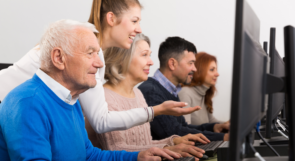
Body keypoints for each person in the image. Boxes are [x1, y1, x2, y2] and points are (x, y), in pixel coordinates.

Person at [0, 0, 200, 135]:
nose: (139, 29)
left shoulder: (91, 50)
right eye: (134, 21)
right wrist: (156, 110)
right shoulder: (80, 46)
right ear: (111, 19)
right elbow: (102, 121)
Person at [0, 20, 181, 161]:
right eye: (90, 53)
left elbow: (89, 156)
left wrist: (137, 156)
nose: (100, 63)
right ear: (59, 58)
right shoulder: (28, 103)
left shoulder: (71, 100)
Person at [85, 34, 210, 160]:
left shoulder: (138, 94)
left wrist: (174, 141)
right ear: (121, 59)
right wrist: (168, 148)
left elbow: (144, 145)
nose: (151, 62)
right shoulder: (105, 97)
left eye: (149, 55)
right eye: (144, 55)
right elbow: (116, 150)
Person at [138, 37, 230, 141]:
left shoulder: (171, 91)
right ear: (172, 64)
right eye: (190, 63)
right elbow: (174, 133)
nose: (194, 69)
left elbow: (184, 127)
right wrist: (222, 137)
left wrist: (214, 127)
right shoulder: (151, 92)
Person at [179, 52, 226, 125]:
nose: (217, 74)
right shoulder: (185, 93)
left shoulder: (204, 93)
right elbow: (185, 128)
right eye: (212, 70)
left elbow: (211, 121)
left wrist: (229, 125)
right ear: (199, 71)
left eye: (216, 70)